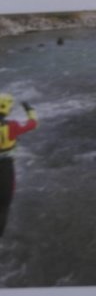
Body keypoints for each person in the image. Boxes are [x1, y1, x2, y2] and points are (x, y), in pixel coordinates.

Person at [0, 94, 38, 240]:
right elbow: (33, 124)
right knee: (3, 207)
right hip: (5, 169)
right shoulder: (13, 126)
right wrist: (29, 109)